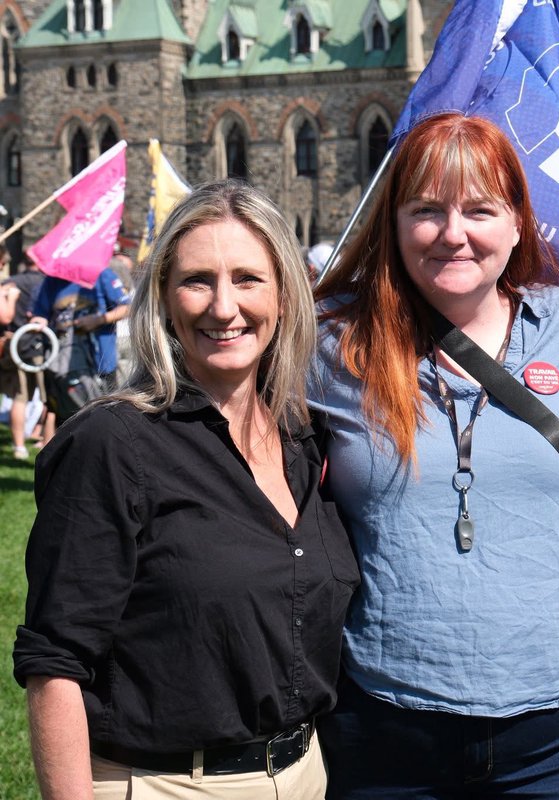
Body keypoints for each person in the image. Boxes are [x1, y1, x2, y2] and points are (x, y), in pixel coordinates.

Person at [310, 113, 559, 798]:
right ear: (393, 222)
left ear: (517, 222)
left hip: (556, 733)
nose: (454, 233)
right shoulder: (330, 344)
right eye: (427, 210)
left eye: (479, 209)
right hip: (385, 725)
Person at [13, 180, 359, 799]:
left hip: (306, 775)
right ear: (165, 299)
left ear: (284, 294)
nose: (224, 307)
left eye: (249, 278)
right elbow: (56, 663)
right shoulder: (113, 444)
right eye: (198, 280)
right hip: (164, 784)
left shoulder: (305, 438)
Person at [29, 261, 131, 419]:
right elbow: (40, 314)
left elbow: (127, 308)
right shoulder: (53, 279)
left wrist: (98, 320)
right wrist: (39, 321)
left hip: (100, 364)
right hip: (62, 365)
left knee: (104, 419)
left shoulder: (101, 273)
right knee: (68, 419)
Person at [0, 256, 47, 458]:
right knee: (48, 399)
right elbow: (5, 316)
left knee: (20, 397)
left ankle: (19, 446)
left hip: (15, 344)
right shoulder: (46, 284)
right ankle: (43, 438)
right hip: (40, 347)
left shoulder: (10, 282)